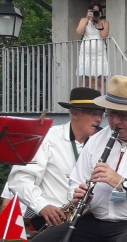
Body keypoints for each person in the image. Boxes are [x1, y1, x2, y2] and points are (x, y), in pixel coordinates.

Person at [31, 76, 127, 242]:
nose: (115, 121)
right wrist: (77, 195)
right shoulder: (97, 139)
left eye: (124, 115)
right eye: (111, 113)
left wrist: (124, 183)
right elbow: (75, 181)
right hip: (97, 220)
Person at [7, 87, 104, 230]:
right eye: (93, 113)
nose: (99, 119)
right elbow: (19, 179)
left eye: (101, 114)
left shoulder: (103, 142)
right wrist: (42, 206)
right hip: (53, 219)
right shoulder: (47, 138)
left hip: (90, 219)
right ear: (74, 113)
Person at [76, 1, 110, 93]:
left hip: (100, 54)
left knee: (100, 82)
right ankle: (87, 100)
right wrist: (87, 18)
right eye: (93, 10)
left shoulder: (104, 22)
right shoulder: (84, 20)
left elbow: (104, 35)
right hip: (86, 54)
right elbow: (79, 32)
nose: (95, 13)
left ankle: (101, 100)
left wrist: (98, 21)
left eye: (97, 11)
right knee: (86, 82)